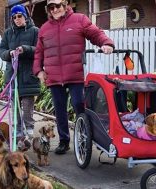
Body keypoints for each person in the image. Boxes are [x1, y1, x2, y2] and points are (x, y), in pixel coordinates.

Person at [33, 0, 114, 154]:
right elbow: (39, 52)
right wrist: (39, 71)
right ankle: (64, 141)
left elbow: (95, 33)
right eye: (51, 7)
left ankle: (85, 136)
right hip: (54, 77)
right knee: (60, 109)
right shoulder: (44, 29)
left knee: (79, 106)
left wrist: (106, 43)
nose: (55, 9)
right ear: (48, 10)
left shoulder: (79, 19)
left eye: (58, 6)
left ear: (64, 5)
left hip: (74, 74)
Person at [0, 4, 40, 138]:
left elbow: (39, 50)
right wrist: (9, 53)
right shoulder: (8, 33)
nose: (17, 19)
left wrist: (26, 49)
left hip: (28, 75)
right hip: (13, 75)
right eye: (14, 17)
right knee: (15, 105)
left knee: (28, 104)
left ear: (25, 16)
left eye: (19, 16)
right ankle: (17, 129)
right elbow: (1, 50)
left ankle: (29, 128)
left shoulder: (35, 31)